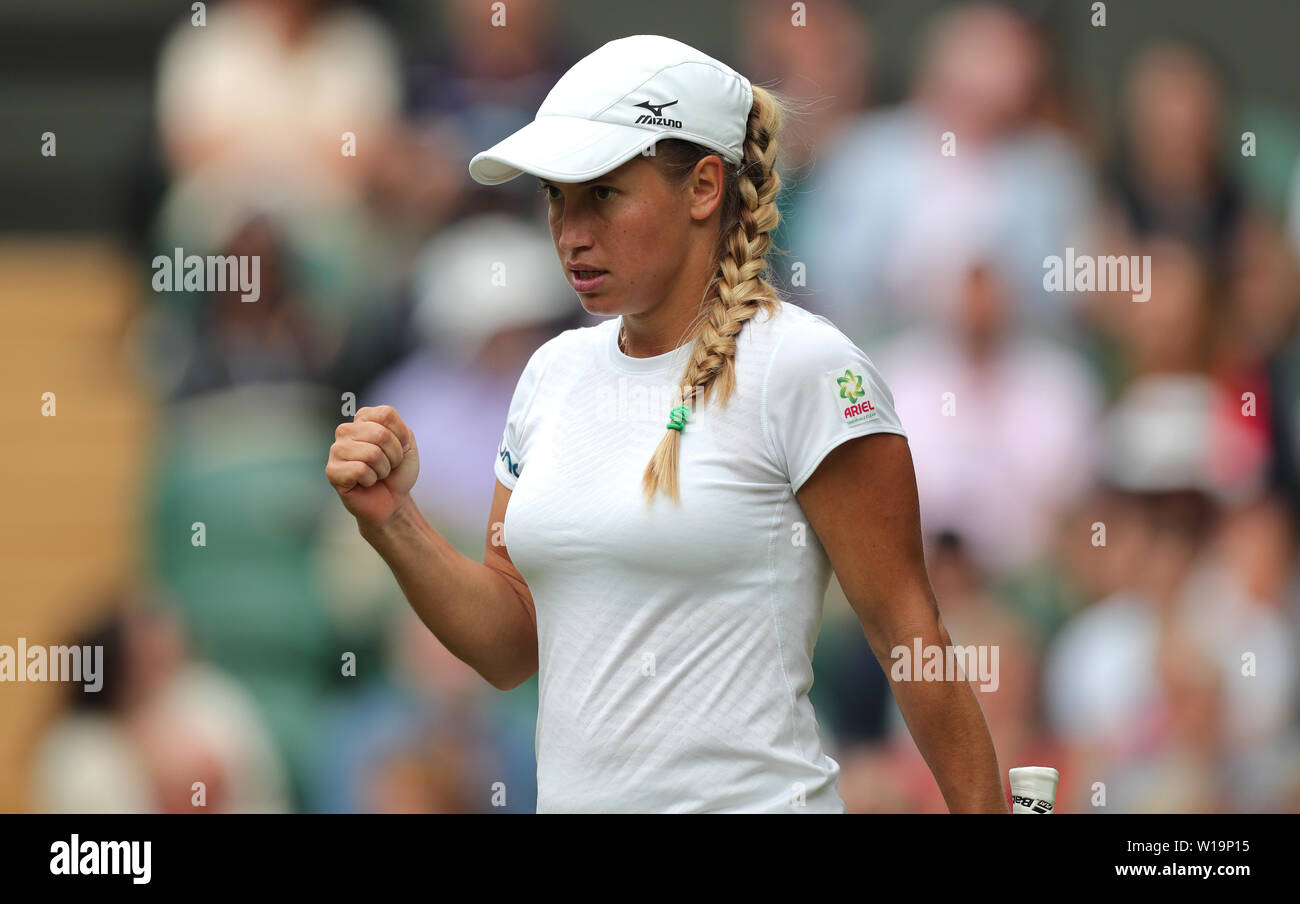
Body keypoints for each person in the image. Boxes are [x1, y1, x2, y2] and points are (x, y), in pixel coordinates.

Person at [325, 34, 1007, 814]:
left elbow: (908, 637)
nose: (570, 231)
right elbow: (514, 646)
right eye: (556, 197)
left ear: (705, 187)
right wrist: (393, 521)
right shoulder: (550, 373)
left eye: (603, 195)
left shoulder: (811, 368)